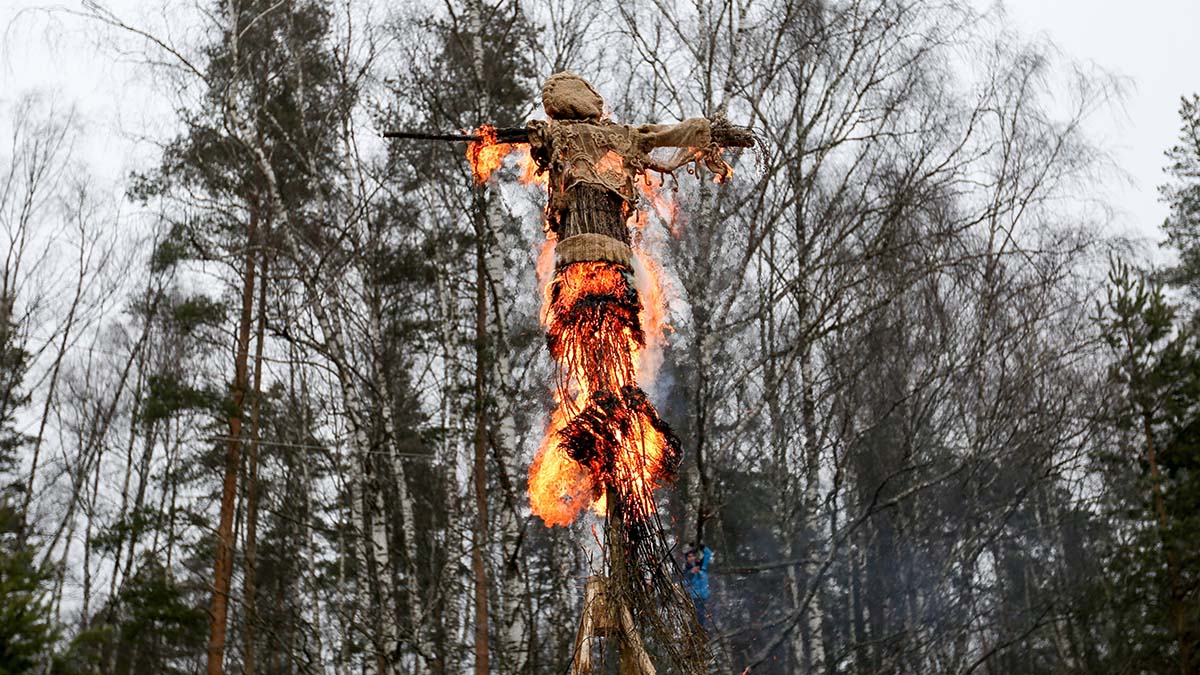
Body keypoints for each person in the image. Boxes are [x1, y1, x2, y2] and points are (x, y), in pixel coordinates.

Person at [683, 543, 713, 631]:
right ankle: (700, 629)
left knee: (707, 613)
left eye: (693, 556)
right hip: (695, 596)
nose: (691, 558)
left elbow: (708, 554)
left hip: (705, 594)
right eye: (689, 556)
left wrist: (702, 546)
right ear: (687, 559)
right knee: (699, 613)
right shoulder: (686, 571)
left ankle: (704, 629)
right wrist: (691, 573)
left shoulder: (701, 566)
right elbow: (684, 583)